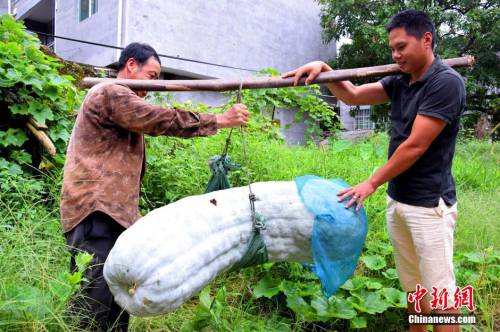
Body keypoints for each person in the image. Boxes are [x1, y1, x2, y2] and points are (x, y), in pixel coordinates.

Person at [283, 9, 465, 332]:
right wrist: (325, 69)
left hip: (429, 207)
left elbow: (415, 146)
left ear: (426, 40)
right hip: (399, 200)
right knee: (414, 289)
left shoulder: (446, 83)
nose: (395, 55)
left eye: (401, 47)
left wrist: (371, 183)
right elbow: (352, 96)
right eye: (392, 49)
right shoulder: (400, 81)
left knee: (440, 296)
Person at [60, 42, 249, 331]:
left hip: (114, 215)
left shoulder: (121, 101)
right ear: (131, 65)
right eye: (152, 75)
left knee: (118, 299)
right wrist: (220, 120)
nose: (153, 85)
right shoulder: (111, 92)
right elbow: (158, 118)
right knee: (92, 301)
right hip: (95, 211)